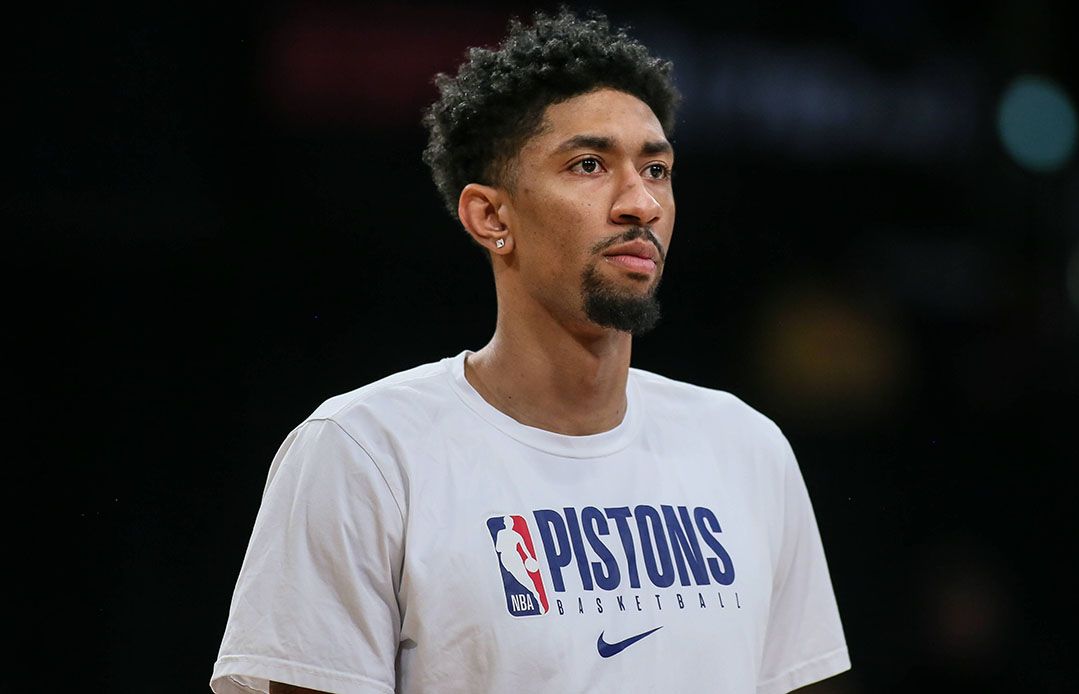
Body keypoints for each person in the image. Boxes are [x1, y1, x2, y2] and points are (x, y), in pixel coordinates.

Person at [211, 8, 850, 694]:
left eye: (656, 169)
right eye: (589, 164)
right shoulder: (366, 453)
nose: (640, 202)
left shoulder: (747, 449)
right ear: (491, 216)